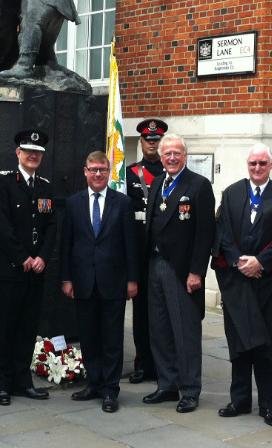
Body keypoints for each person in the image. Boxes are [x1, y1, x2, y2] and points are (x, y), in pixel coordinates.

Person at [212, 143, 272, 426]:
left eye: (262, 163)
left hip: (267, 283)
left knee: (266, 345)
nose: (257, 168)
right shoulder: (231, 192)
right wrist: (239, 261)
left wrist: (260, 262)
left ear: (271, 165)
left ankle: (268, 405)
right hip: (237, 282)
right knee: (238, 345)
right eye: (252, 164)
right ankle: (239, 399)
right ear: (247, 165)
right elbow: (221, 234)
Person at [141, 134, 215, 413]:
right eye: (167, 153)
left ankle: (190, 390)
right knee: (159, 329)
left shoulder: (198, 185)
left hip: (182, 270)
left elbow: (205, 232)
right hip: (155, 264)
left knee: (185, 332)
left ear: (185, 156)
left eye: (177, 153)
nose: (171, 158)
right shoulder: (158, 181)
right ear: (160, 157)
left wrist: (197, 272)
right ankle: (167, 384)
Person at [61, 151, 140, 413]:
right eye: (92, 169)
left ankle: (110, 390)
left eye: (102, 170)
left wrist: (132, 279)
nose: (97, 174)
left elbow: (131, 244)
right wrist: (66, 278)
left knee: (112, 338)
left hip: (114, 282)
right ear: (85, 171)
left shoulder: (123, 203)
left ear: (109, 172)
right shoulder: (73, 203)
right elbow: (67, 245)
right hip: (83, 281)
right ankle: (93, 383)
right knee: (89, 337)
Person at [0, 129, 58, 405]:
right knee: (4, 329)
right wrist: (22, 257)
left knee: (27, 329)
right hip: (8, 270)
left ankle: (22, 381)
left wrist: (42, 257)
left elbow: (51, 225)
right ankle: (1, 385)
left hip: (35, 271)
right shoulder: (3, 181)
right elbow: (0, 225)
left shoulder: (45, 186)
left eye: (38, 152)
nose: (33, 155)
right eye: (28, 151)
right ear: (18, 153)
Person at [124, 118, 167, 384]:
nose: (152, 144)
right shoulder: (129, 173)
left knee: (162, 311)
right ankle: (142, 363)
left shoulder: (171, 172)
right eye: (148, 140)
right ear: (140, 142)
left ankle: (162, 363)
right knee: (141, 313)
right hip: (138, 250)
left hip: (162, 250)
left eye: (156, 140)